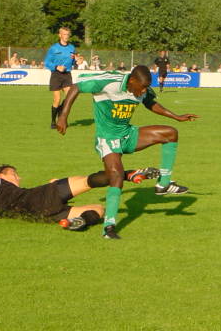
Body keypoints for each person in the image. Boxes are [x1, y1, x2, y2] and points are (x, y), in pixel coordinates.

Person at [56, 65, 199, 239]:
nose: (144, 91)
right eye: (143, 87)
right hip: (107, 139)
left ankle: (163, 185)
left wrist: (176, 116)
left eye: (146, 87)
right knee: (115, 177)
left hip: (128, 134)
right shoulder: (110, 82)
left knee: (170, 133)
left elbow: (150, 103)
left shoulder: (140, 88)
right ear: (132, 81)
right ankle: (108, 227)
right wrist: (63, 115)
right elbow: (77, 86)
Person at [0, 141, 161, 231]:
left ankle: (78, 222)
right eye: (13, 173)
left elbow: (25, 200)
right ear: (0, 175)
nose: (18, 177)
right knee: (85, 181)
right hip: (43, 197)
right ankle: (127, 174)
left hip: (42, 213)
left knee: (99, 208)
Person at [44, 27, 76, 129]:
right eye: (64, 34)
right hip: (56, 75)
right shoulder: (54, 48)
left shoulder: (72, 48)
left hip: (67, 75)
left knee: (68, 99)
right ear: (60, 35)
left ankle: (61, 118)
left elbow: (73, 61)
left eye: (68, 35)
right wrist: (57, 67)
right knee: (57, 100)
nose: (66, 36)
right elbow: (47, 62)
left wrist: (76, 60)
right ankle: (53, 122)